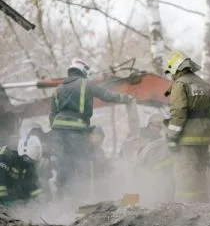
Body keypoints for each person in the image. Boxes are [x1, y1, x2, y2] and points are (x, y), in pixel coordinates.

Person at [49, 58, 133, 196]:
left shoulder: (57, 89)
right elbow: (107, 95)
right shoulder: (86, 84)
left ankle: (61, 204)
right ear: (83, 71)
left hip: (58, 133)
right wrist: (126, 98)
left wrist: (56, 130)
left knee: (63, 168)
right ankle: (82, 201)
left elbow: (52, 114)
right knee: (82, 166)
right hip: (76, 132)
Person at [164, 51, 210, 202]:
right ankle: (202, 203)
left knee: (185, 171)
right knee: (200, 170)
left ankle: (185, 206)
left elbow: (178, 112)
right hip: (204, 136)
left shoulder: (180, 84)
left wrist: (172, 137)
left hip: (186, 137)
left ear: (176, 69)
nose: (171, 76)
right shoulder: (205, 84)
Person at [0, 136, 43, 206]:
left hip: (8, 190)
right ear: (23, 153)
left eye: (33, 161)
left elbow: (32, 183)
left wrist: (42, 200)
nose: (30, 164)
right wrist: (6, 201)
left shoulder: (27, 162)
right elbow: (1, 182)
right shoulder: (4, 157)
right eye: (29, 160)